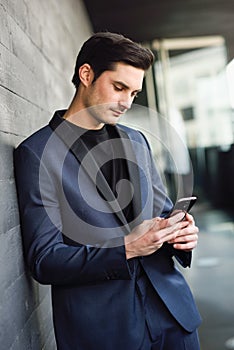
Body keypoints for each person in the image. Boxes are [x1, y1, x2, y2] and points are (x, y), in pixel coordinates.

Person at [14, 32, 201, 350]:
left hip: (173, 317)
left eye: (134, 93)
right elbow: (45, 259)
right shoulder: (36, 153)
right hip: (103, 331)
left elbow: (162, 212)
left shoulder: (136, 141)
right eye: (119, 87)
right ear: (86, 74)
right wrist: (126, 247)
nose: (126, 102)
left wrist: (181, 236)